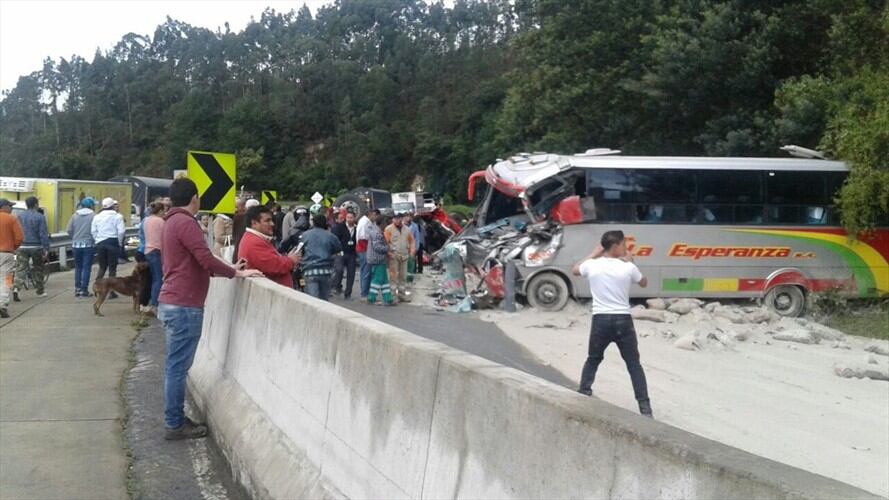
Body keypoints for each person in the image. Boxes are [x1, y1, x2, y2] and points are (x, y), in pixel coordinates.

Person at [158, 178, 262, 440]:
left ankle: (175, 420)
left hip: (172, 301)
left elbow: (193, 261)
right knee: (177, 368)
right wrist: (233, 274)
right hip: (184, 305)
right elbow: (204, 258)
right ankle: (174, 423)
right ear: (195, 198)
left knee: (175, 366)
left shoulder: (170, 222)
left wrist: (228, 269)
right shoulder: (185, 222)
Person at [571, 230, 652, 418]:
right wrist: (632, 263)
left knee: (593, 358)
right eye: (624, 244)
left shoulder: (591, 265)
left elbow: (575, 270)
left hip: (600, 320)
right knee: (633, 364)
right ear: (615, 247)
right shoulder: (627, 267)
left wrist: (593, 253)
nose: (626, 248)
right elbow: (644, 283)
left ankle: (584, 392)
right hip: (623, 321)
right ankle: (645, 408)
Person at [238, 205, 301, 287]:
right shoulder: (254, 243)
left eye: (271, 220)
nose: (272, 224)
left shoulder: (253, 239)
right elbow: (275, 266)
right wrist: (291, 260)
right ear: (254, 223)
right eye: (267, 221)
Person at [14, 196, 50, 301]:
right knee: (38, 268)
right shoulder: (40, 217)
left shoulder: (19, 216)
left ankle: (16, 288)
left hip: (22, 246)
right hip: (36, 246)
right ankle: (40, 291)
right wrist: (46, 248)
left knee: (20, 268)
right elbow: (43, 233)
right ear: (35, 204)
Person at [298, 214, 342, 300]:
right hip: (326, 271)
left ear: (313, 223)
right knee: (324, 301)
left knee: (313, 301)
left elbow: (299, 250)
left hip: (309, 270)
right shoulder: (330, 236)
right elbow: (338, 249)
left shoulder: (305, 235)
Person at [91, 197, 126, 292]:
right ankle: (111, 291)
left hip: (100, 243)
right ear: (112, 206)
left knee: (102, 266)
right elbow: (121, 231)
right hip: (112, 242)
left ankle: (97, 286)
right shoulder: (118, 216)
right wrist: (119, 242)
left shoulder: (97, 217)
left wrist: (97, 240)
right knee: (112, 267)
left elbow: (93, 231)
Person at [66, 197, 96, 297]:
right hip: (89, 244)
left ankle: (77, 289)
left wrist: (74, 237)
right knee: (86, 267)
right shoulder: (93, 216)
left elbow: (69, 230)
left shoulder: (74, 215)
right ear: (91, 205)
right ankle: (84, 289)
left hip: (76, 244)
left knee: (78, 267)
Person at [0, 198, 24, 318]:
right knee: (6, 279)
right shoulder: (11, 219)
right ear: (4, 207)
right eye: (10, 206)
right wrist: (12, 247)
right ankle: (3, 304)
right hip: (7, 253)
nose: (11, 208)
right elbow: (19, 237)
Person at [384, 213, 415, 302]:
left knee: (403, 276)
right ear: (393, 219)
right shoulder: (388, 229)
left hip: (404, 255)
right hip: (394, 256)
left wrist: (412, 252)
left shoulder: (407, 229)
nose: (397, 220)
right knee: (393, 276)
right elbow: (385, 242)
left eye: (399, 219)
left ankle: (402, 294)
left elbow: (412, 241)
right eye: (395, 219)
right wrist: (388, 253)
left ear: (401, 219)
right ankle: (393, 295)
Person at [143, 201, 166, 313]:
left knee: (153, 278)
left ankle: (152, 302)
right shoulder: (160, 221)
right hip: (157, 250)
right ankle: (155, 304)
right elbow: (165, 236)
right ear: (161, 211)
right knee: (159, 279)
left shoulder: (147, 220)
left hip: (148, 250)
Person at [366, 216, 394, 305]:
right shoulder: (377, 233)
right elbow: (377, 247)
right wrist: (387, 248)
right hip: (377, 259)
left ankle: (388, 298)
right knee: (378, 279)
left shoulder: (376, 231)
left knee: (384, 280)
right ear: (382, 223)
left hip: (377, 259)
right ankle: (371, 297)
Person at [331, 210, 357, 298]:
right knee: (339, 270)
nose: (349, 219)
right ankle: (336, 286)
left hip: (352, 253)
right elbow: (335, 239)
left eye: (351, 218)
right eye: (348, 218)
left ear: (354, 218)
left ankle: (348, 293)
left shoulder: (356, 228)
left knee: (351, 273)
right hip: (341, 252)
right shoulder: (339, 227)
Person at [356, 209, 379, 301]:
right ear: (371, 214)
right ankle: (364, 294)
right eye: (375, 216)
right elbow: (362, 237)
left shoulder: (369, 222)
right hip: (364, 249)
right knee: (366, 272)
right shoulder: (364, 222)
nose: (376, 218)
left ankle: (366, 292)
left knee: (367, 271)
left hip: (367, 249)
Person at [231, 198, 247, 263]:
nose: (236, 209)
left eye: (237, 207)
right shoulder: (239, 217)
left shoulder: (237, 217)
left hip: (239, 247)